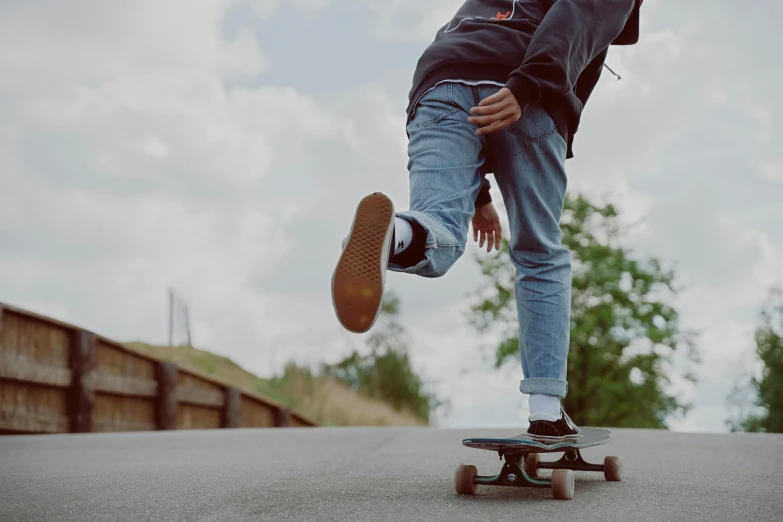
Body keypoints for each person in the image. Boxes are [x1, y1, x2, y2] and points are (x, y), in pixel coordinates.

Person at [331, 0, 643, 441]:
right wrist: (527, 86)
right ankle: (546, 412)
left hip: (438, 83)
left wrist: (478, 196)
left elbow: (473, 58)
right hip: (523, 87)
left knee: (438, 230)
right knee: (539, 253)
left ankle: (395, 233)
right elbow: (577, 12)